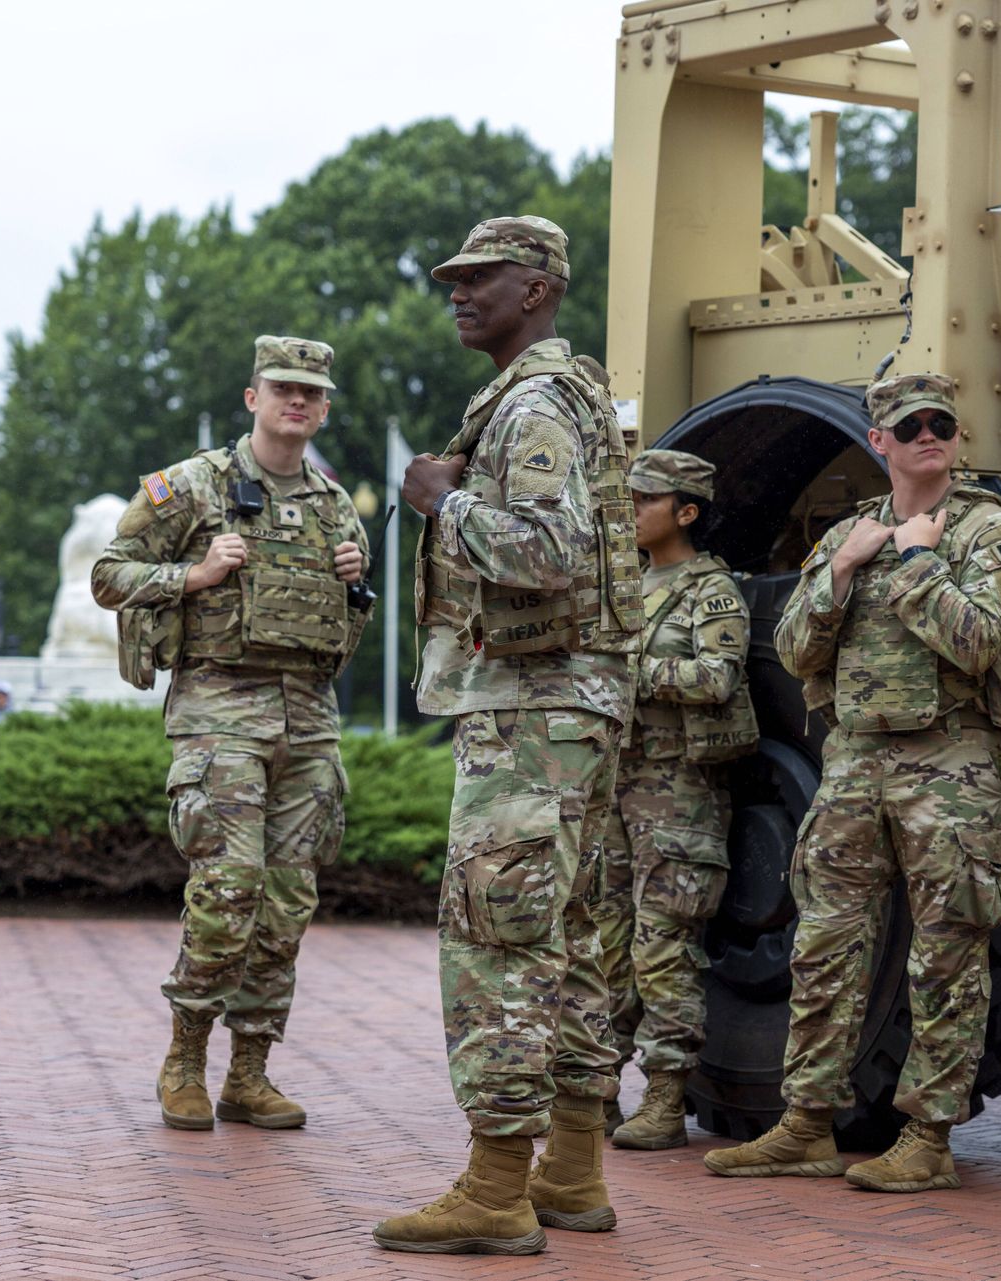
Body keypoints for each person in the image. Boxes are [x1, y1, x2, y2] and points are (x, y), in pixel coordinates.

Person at [372, 216, 641, 1256]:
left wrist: (443, 504)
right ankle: (571, 1171)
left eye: (479, 278)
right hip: (569, 707)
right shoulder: (555, 397)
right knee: (566, 941)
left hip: (535, 711)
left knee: (497, 937)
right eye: (453, 278)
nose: (457, 292)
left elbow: (545, 550)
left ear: (537, 289)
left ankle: (496, 1188)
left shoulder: (533, 404)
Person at [703, 372, 1001, 1193]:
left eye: (943, 424)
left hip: (949, 763)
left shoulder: (987, 530)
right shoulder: (850, 532)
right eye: (910, 425)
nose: (929, 434)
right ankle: (806, 1124)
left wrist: (919, 563)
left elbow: (982, 643)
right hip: (853, 760)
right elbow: (794, 649)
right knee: (823, 945)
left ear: (956, 439)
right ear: (879, 441)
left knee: (947, 951)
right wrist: (842, 573)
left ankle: (928, 1136)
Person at [92, 334, 369, 1135]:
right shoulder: (189, 486)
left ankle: (251, 1071)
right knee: (229, 888)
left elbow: (340, 638)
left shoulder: (330, 503)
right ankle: (185, 1056)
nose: (298, 402)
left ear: (323, 408)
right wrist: (196, 575)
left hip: (308, 718)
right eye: (283, 387)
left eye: (313, 392)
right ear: (253, 397)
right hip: (221, 710)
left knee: (287, 901)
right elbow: (108, 573)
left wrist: (356, 590)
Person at [596, 450, 757, 1152]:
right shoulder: (623, 582)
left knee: (663, 949)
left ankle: (664, 1096)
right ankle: (596, 1090)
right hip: (615, 785)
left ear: (685, 511)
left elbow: (717, 676)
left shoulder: (709, 588)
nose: (629, 510)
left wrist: (626, 670)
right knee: (604, 945)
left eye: (642, 499)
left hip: (678, 793)